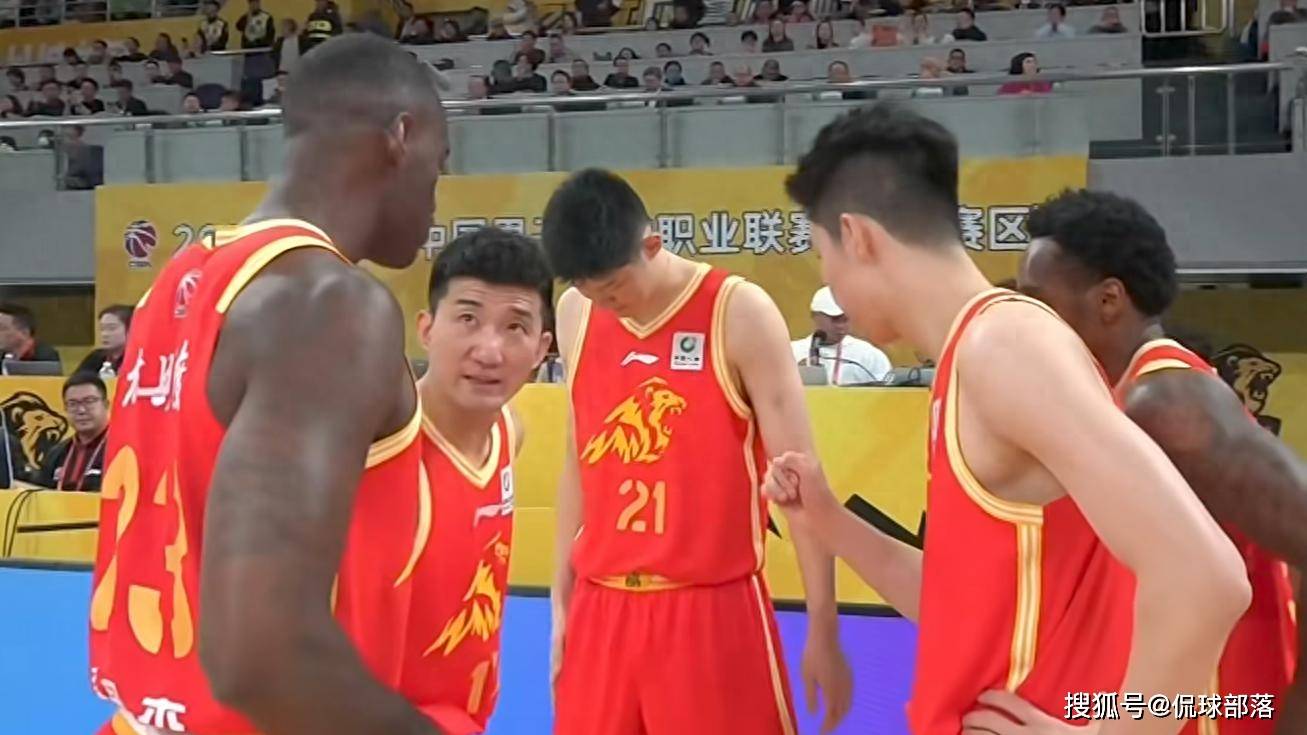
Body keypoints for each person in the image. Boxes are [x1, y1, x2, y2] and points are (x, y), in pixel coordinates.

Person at [773, 103, 1250, 733]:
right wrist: (828, 518)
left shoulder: (1004, 347)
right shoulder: (972, 356)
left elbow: (1207, 578)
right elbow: (960, 607)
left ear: (856, 236)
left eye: (820, 255)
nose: (829, 282)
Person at [87, 34, 450, 735]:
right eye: (441, 160)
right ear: (401, 136)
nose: (439, 189)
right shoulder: (329, 302)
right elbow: (263, 658)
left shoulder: (183, 279)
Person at [542, 169, 852, 735]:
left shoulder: (738, 312)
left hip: (709, 609)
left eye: (615, 290)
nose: (608, 306)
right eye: (593, 294)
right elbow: (578, 460)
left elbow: (802, 482)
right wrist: (560, 605)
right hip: (601, 607)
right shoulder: (576, 314)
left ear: (651, 245)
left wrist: (823, 630)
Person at [1017, 189, 1306, 735]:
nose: (1022, 319)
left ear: (1108, 300)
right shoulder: (1120, 398)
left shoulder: (1168, 403)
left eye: (1035, 300)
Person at [398, 227, 552, 733]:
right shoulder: (379, 447)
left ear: (541, 349)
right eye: (467, 319)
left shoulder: (510, 432)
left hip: (467, 713)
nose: (489, 351)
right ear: (426, 329)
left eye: (515, 327)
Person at [792, 286, 891, 385]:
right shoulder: (792, 352)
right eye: (835, 319)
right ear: (815, 316)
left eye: (846, 319)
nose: (841, 326)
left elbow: (887, 391)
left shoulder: (869, 356)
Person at [34, 372, 110, 492]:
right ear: (65, 409)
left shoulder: (122, 449)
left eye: (89, 401)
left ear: (106, 405)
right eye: (72, 404)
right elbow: (39, 493)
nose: (81, 410)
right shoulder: (57, 453)